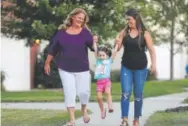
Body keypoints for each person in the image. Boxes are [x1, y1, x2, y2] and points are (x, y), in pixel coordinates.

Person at [44, 8, 98, 126]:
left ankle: (84, 110)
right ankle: (72, 119)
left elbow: (93, 48)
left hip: (82, 68)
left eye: (82, 19)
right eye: (79, 17)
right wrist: (47, 63)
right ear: (72, 17)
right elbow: (53, 49)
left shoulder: (85, 32)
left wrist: (95, 42)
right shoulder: (61, 32)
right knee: (69, 92)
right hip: (65, 68)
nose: (80, 20)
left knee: (84, 92)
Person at [115, 8, 156, 126]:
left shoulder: (145, 34)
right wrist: (117, 43)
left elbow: (152, 51)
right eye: (127, 19)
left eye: (130, 19)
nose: (128, 21)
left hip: (141, 68)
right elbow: (117, 49)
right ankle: (124, 119)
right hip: (126, 67)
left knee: (138, 94)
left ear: (136, 19)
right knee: (125, 93)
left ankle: (136, 119)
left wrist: (154, 64)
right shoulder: (124, 33)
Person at [93, 42, 118, 119]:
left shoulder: (109, 61)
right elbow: (95, 50)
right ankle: (102, 110)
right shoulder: (98, 61)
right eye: (100, 55)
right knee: (99, 98)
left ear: (107, 56)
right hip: (99, 83)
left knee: (108, 92)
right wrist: (94, 42)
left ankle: (110, 106)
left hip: (106, 81)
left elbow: (114, 53)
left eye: (103, 55)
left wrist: (116, 44)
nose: (101, 57)